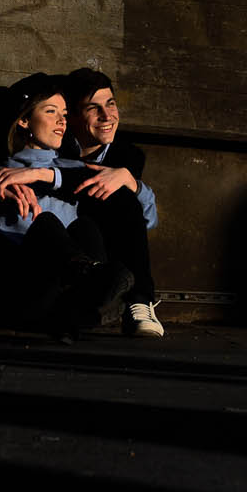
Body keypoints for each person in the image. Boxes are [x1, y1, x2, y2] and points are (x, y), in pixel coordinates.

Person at [0, 73, 132, 339]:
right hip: (19, 282)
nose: (62, 121)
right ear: (24, 120)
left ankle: (84, 292)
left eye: (65, 113)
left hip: (61, 293)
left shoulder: (74, 171)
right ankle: (90, 282)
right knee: (46, 224)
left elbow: (142, 215)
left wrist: (129, 180)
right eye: (51, 111)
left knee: (85, 227)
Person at [52, 67, 163, 338]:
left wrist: (130, 181)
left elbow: (147, 220)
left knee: (123, 196)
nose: (107, 116)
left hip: (107, 247)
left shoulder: (127, 155)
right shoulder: (51, 144)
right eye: (93, 108)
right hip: (62, 245)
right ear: (72, 115)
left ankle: (139, 300)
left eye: (111, 104)